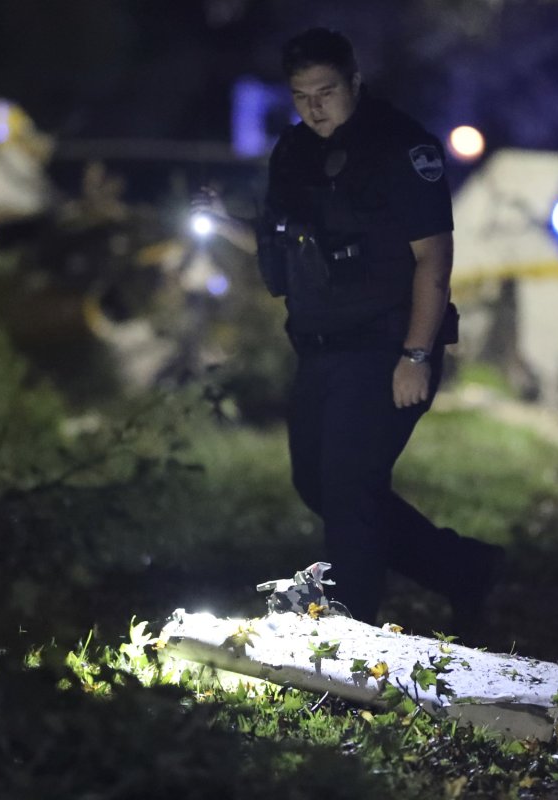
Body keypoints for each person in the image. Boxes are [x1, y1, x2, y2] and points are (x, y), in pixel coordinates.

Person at [194, 27, 503, 632]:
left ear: (354, 82)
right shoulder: (293, 153)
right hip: (319, 349)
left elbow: (433, 260)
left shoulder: (400, 147)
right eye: (301, 94)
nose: (314, 106)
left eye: (326, 91)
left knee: (349, 488)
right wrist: (226, 220)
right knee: (317, 483)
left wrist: (414, 354)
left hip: (387, 344)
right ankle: (461, 568)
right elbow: (292, 244)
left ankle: (350, 642)